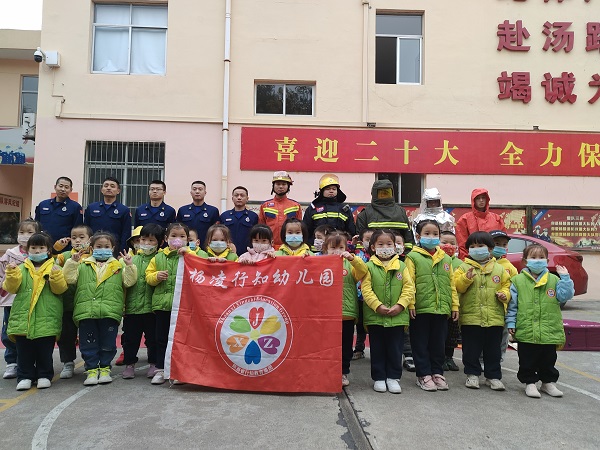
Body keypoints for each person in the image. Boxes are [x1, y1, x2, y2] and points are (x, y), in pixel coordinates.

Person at [63, 231, 137, 386]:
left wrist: (130, 265)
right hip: (86, 312)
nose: (102, 249)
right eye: (98, 246)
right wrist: (72, 262)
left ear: (113, 248)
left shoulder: (119, 265)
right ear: (91, 248)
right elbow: (69, 279)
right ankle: (91, 370)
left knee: (108, 343)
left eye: (106, 246)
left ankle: (104, 368)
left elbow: (129, 282)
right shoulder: (83, 265)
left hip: (109, 312)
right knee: (88, 343)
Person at [506, 244, 574, 398]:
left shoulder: (554, 279)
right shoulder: (517, 281)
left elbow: (565, 296)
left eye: (541, 257)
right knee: (527, 359)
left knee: (548, 359)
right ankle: (529, 383)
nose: (537, 260)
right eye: (533, 257)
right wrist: (511, 322)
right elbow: (512, 305)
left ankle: (548, 383)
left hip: (548, 328)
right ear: (525, 261)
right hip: (526, 328)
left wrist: (565, 278)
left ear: (547, 260)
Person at [4, 232, 67, 390]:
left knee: (44, 351)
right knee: (24, 351)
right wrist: (11, 274)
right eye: (33, 247)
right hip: (23, 318)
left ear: (48, 250)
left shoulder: (55, 268)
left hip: (47, 317)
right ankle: (25, 376)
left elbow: (60, 289)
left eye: (41, 248)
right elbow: (11, 288)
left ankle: (44, 375)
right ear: (27, 250)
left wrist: (56, 276)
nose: (37, 251)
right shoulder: (20, 268)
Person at [405, 220, 459, 391]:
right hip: (420, 309)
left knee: (438, 344)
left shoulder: (446, 258)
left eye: (435, 234)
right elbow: (409, 282)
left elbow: (451, 284)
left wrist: (454, 305)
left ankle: (437, 372)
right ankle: (423, 374)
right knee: (420, 343)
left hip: (441, 309)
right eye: (427, 233)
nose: (431, 237)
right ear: (418, 236)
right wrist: (411, 304)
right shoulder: (412, 257)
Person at [454, 231, 511, 391]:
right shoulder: (463, 267)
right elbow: (457, 286)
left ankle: (493, 376)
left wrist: (504, 294)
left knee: (493, 350)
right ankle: (472, 374)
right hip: (471, 318)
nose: (476, 249)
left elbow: (507, 286)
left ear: (490, 249)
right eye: (472, 247)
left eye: (480, 246)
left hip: (494, 318)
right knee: (471, 349)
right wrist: (466, 278)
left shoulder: (500, 269)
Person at [360, 229, 415, 394]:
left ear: (395, 246)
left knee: (395, 349)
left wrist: (401, 305)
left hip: (397, 317)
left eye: (389, 244)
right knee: (377, 348)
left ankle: (393, 377)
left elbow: (409, 288)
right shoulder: (368, 266)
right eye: (381, 244)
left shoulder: (402, 266)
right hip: (375, 316)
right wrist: (377, 306)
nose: (385, 247)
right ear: (373, 247)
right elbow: (366, 289)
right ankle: (379, 377)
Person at [146, 223, 194, 385]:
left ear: (187, 240)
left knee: (182, 340)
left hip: (183, 307)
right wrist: (156, 276)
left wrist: (188, 254)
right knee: (161, 339)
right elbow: (148, 277)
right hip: (163, 306)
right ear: (166, 239)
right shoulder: (158, 257)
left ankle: (179, 371)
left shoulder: (192, 256)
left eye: (182, 236)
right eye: (173, 236)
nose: (177, 239)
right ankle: (161, 369)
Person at [322, 232, 367, 387]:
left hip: (346, 314)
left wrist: (353, 259)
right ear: (325, 249)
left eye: (341, 247)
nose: (337, 251)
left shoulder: (349, 264)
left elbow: (363, 271)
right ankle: (326, 371)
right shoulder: (320, 263)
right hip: (326, 314)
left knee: (345, 346)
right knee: (326, 345)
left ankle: (343, 372)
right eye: (333, 248)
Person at [121, 223, 164, 380]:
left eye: (151, 240)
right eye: (143, 240)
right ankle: (129, 364)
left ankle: (153, 363)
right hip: (132, 308)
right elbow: (124, 284)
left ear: (160, 242)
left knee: (153, 339)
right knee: (130, 339)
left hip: (152, 309)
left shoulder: (161, 259)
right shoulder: (131, 259)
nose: (146, 243)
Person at [1, 219, 42, 380]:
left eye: (30, 232)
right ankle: (12, 362)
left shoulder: (41, 254)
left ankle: (29, 362)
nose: (25, 236)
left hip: (32, 300)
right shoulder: (10, 254)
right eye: (22, 232)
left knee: (29, 332)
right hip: (12, 301)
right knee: (10, 331)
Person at [55, 224, 93, 379]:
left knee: (87, 336)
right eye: (74, 237)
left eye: (82, 237)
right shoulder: (63, 256)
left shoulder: (94, 257)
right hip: (67, 304)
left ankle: (89, 362)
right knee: (66, 335)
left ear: (90, 239)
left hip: (87, 304)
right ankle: (68, 362)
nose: (77, 240)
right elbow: (53, 269)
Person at [356, 179, 414, 253]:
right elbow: (360, 240)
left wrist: (405, 255)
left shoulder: (401, 212)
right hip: (372, 256)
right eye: (381, 193)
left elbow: (408, 237)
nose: (384, 196)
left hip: (398, 256)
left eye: (387, 193)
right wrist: (366, 257)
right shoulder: (365, 214)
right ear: (374, 194)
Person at [303, 174, 356, 245]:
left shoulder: (344, 210)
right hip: (317, 249)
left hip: (338, 247)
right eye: (328, 189)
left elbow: (351, 232)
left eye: (334, 189)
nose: (331, 191)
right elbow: (306, 231)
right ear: (322, 191)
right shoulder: (312, 209)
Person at [490, 229, 518, 363]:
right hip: (485, 309)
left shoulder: (510, 267)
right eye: (497, 243)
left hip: (503, 310)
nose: (501, 247)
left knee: (503, 337)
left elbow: (514, 288)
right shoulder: (482, 263)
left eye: (504, 244)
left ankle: (498, 360)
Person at [83, 177, 132, 252]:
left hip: (114, 249)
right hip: (93, 248)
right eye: (106, 186)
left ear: (118, 191)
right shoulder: (91, 207)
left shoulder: (124, 210)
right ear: (101, 190)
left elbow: (126, 233)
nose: (108, 188)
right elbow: (86, 229)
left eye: (112, 186)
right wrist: (86, 248)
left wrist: (122, 253)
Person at [455, 188, 506, 260]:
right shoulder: (465, 219)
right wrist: (466, 260)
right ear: (473, 201)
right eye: (478, 198)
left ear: (487, 199)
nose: (481, 200)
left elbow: (503, 241)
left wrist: (501, 258)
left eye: (483, 198)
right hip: (472, 259)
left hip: (493, 259)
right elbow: (462, 243)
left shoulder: (497, 219)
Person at [34, 176, 83, 250]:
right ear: (55, 187)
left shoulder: (75, 207)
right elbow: (36, 226)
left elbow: (77, 229)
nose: (63, 189)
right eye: (60, 186)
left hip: (64, 248)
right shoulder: (43, 204)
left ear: (71, 190)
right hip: (43, 246)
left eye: (66, 187)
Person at [258, 171, 302, 249]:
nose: (281, 187)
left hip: (290, 247)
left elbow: (300, 228)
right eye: (278, 184)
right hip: (270, 247)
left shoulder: (296, 206)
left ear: (288, 186)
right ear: (273, 186)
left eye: (284, 184)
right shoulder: (265, 206)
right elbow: (261, 228)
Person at [439, 231, 462, 371]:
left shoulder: (460, 264)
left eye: (452, 243)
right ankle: (440, 357)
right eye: (444, 242)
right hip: (440, 304)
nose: (448, 245)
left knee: (452, 333)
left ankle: (449, 357)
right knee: (440, 334)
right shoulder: (437, 260)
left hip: (455, 305)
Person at [352, 228, 374, 361]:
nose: (370, 242)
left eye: (372, 239)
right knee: (360, 323)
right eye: (367, 239)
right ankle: (359, 348)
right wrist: (353, 245)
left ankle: (376, 348)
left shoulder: (380, 255)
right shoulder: (357, 253)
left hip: (375, 296)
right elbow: (346, 254)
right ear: (362, 241)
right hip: (359, 295)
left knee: (373, 323)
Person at [176, 181, 219, 248]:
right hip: (186, 247)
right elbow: (178, 230)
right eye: (194, 189)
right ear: (191, 192)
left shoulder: (213, 211)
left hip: (206, 247)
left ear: (205, 192)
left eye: (200, 189)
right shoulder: (183, 210)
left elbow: (215, 231)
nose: (197, 191)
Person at [219, 186, 259, 255]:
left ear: (247, 199)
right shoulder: (224, 216)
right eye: (236, 195)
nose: (239, 197)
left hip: (248, 254)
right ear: (232, 198)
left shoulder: (253, 216)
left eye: (242, 195)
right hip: (227, 253)